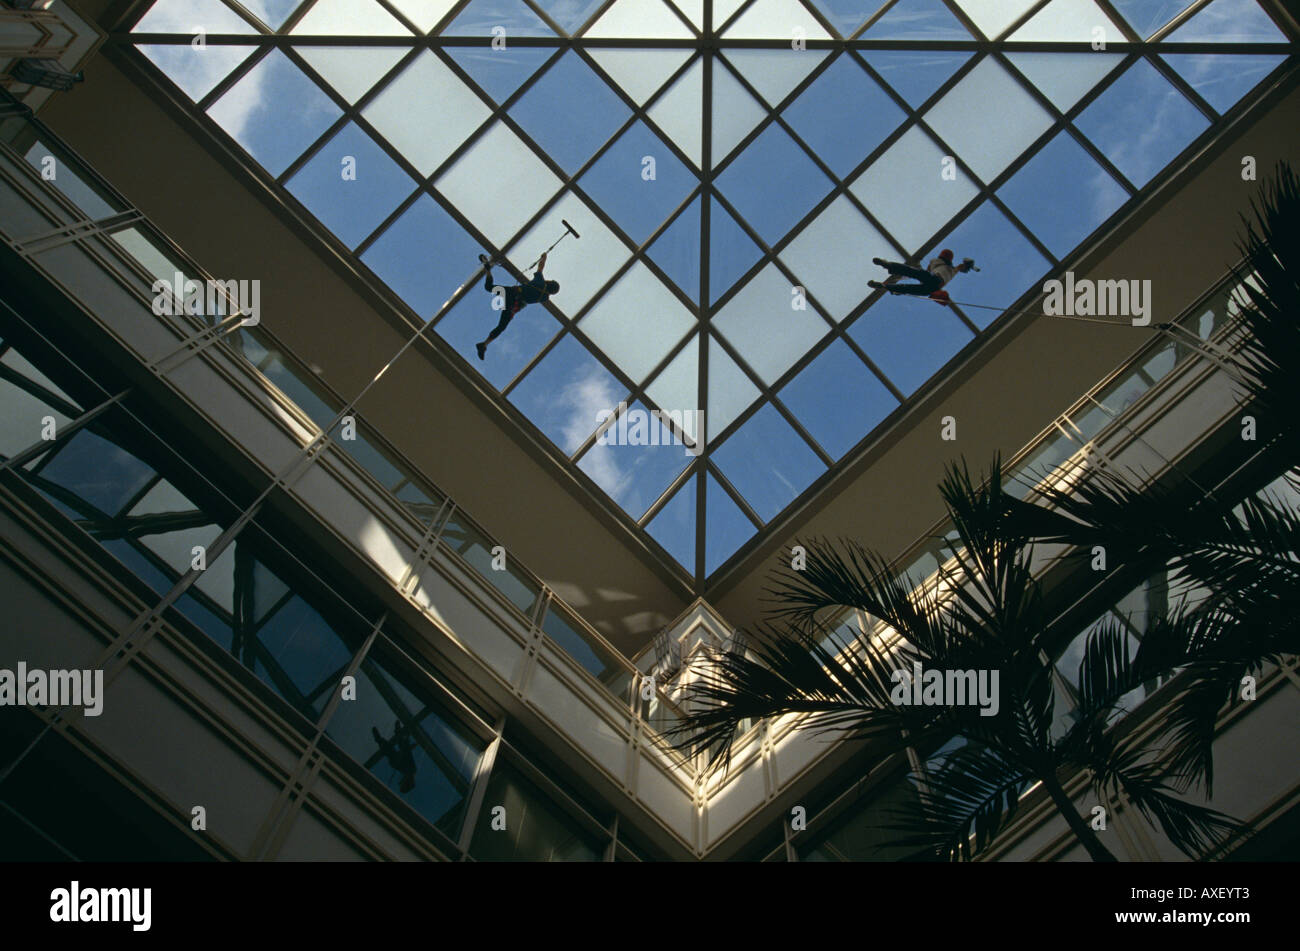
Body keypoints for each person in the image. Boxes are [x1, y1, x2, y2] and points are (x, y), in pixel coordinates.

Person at [475, 252, 560, 360]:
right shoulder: (544, 298)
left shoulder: (540, 282)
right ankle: (485, 344)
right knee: (501, 326)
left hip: (511, 293)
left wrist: (544, 257)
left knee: (489, 287)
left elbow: (540, 267)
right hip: (514, 305)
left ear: (550, 283)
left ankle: (487, 269)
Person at [868, 249, 975, 303]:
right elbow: (961, 267)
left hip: (933, 282)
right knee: (909, 287)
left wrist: (967, 264)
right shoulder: (951, 269)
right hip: (934, 285)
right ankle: (885, 286)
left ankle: (888, 268)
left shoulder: (937, 263)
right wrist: (968, 264)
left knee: (911, 274)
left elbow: (923, 272)